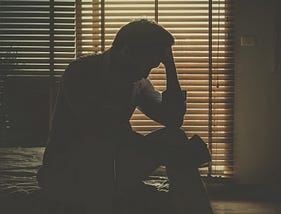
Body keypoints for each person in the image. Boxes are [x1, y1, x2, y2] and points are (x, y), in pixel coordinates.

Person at [37, 19, 214, 214]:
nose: (148, 72)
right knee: (97, 147)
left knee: (175, 137)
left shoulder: (139, 83)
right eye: (147, 63)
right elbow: (99, 130)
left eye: (154, 66)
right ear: (126, 50)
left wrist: (170, 67)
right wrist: (163, 152)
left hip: (113, 163)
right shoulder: (81, 72)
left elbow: (173, 120)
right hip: (69, 169)